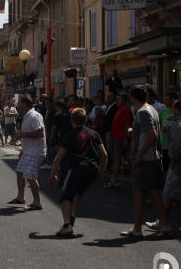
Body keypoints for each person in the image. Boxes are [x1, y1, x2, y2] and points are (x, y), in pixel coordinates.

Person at [120, 85, 171, 238]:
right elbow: (148, 131)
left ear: (133, 97)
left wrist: (139, 153)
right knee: (152, 192)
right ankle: (163, 224)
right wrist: (133, 131)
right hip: (152, 158)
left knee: (138, 192)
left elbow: (152, 134)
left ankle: (138, 228)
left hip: (145, 159)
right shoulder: (151, 109)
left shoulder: (142, 112)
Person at [49, 108, 107, 236]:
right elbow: (104, 153)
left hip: (77, 167)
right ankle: (73, 213)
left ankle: (67, 225)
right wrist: (100, 172)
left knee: (66, 196)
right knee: (79, 191)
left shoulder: (69, 135)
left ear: (71, 121)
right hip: (92, 168)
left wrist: (53, 174)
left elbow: (59, 156)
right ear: (86, 120)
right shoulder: (93, 134)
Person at [146, 99, 181, 232]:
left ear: (177, 109)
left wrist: (173, 160)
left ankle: (162, 222)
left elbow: (177, 147)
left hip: (177, 166)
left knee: (168, 193)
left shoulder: (178, 126)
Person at [8, 95, 46, 211]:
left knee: (30, 176)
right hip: (28, 151)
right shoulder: (26, 116)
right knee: (20, 171)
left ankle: (37, 202)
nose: (17, 105)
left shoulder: (34, 116)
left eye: (19, 103)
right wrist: (23, 150)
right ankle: (21, 197)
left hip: (35, 152)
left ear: (24, 104)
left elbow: (40, 133)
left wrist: (23, 135)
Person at [103, 94, 133, 188]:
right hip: (116, 137)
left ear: (124, 100)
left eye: (118, 99)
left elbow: (127, 125)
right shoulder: (120, 109)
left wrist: (125, 138)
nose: (117, 101)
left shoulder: (126, 109)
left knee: (117, 157)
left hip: (120, 137)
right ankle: (137, 175)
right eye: (116, 99)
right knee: (126, 156)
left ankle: (113, 179)